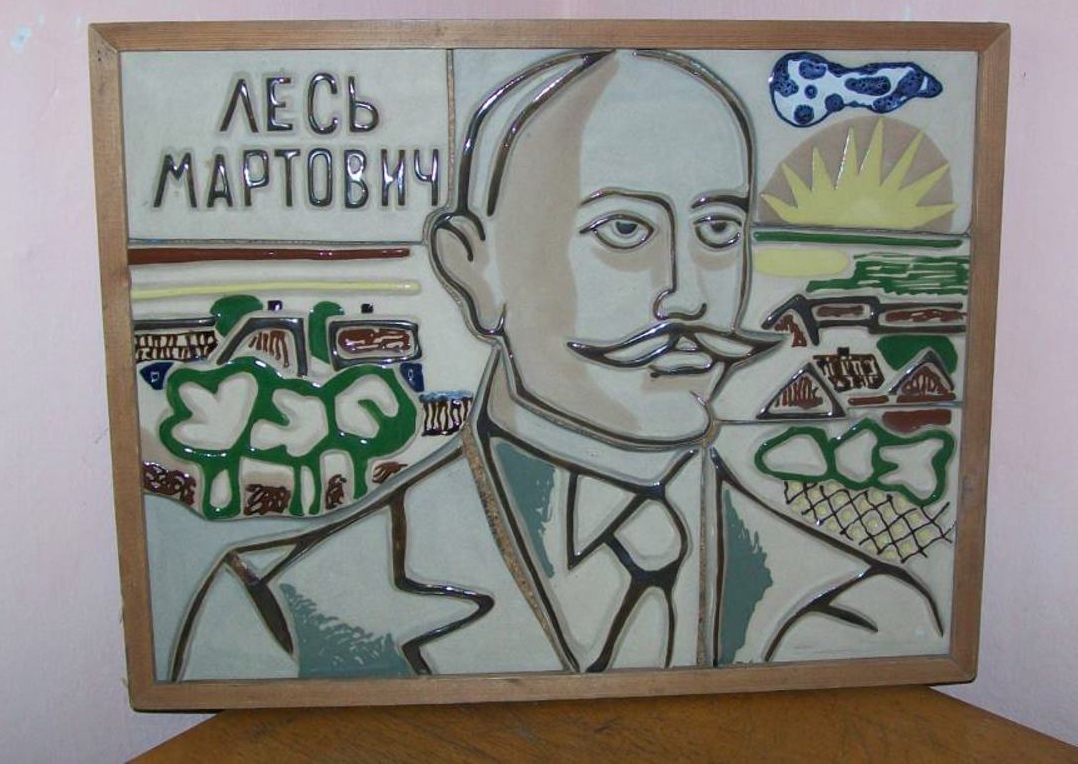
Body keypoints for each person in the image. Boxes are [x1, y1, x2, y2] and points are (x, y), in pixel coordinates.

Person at [170, 50, 943, 681]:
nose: (685, 294)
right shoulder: (281, 616)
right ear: (475, 268)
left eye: (717, 229)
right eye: (624, 230)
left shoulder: (861, 613)